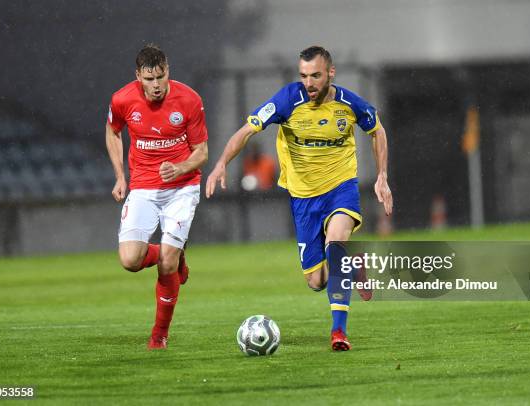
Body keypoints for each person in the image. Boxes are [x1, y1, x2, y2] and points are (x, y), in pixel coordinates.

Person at [206, 45, 393, 351]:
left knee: (336, 245)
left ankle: (338, 331)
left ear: (330, 73)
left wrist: (382, 175)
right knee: (316, 281)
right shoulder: (287, 99)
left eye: (316, 75)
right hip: (303, 198)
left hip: (340, 188)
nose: (309, 83)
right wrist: (220, 164)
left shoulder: (349, 103)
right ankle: (354, 263)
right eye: (304, 75)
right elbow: (246, 131)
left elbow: (377, 130)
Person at [105, 44, 208, 350]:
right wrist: (120, 176)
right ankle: (174, 256)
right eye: (149, 79)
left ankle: (158, 336)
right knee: (130, 260)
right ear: (138, 76)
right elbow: (113, 131)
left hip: (182, 187)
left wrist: (179, 168)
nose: (156, 85)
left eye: (160, 77)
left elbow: (201, 152)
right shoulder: (122, 99)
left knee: (166, 263)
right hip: (143, 187)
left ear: (168, 72)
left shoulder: (189, 100)